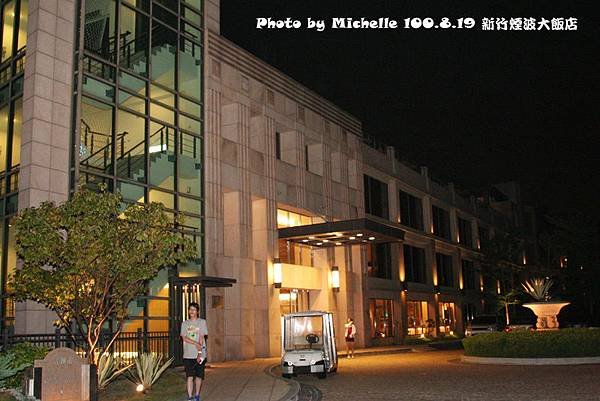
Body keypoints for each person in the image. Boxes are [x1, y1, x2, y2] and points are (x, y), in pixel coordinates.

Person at [181, 302, 208, 401]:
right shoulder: (185, 324)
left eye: (194, 310)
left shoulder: (202, 322)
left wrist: (199, 352)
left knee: (199, 376)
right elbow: (184, 337)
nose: (192, 311)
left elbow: (201, 337)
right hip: (188, 354)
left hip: (200, 355)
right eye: (190, 309)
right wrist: (195, 343)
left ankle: (197, 395)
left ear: (197, 311)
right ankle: (189, 397)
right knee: (189, 376)